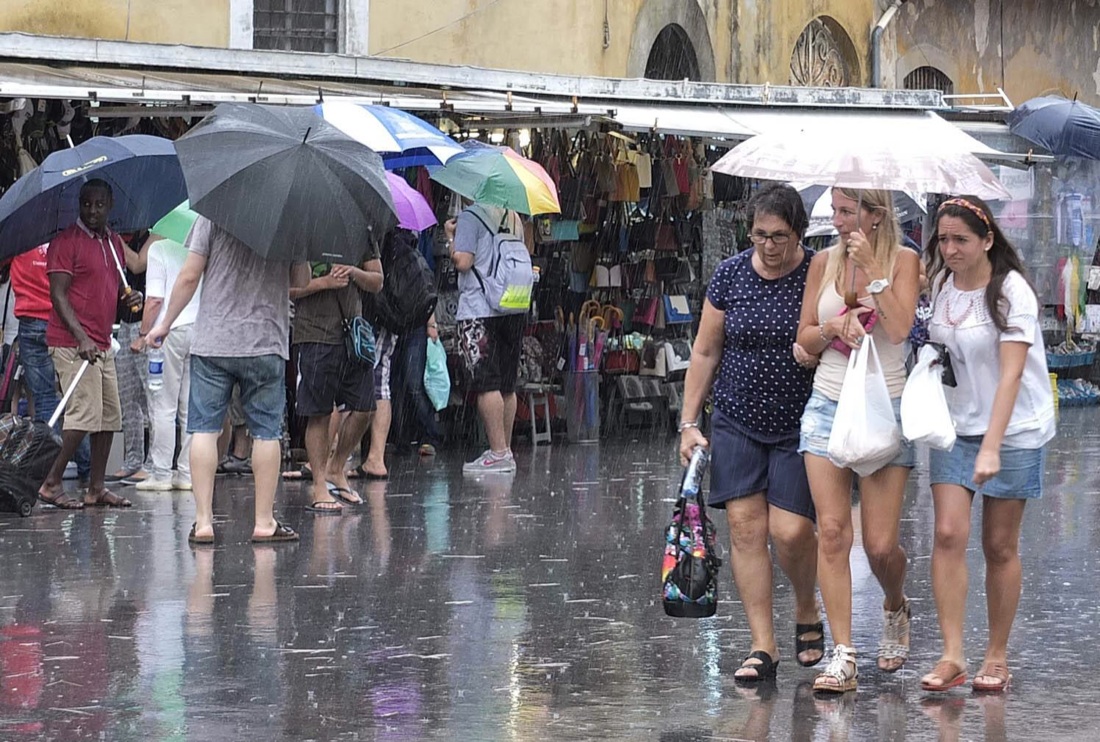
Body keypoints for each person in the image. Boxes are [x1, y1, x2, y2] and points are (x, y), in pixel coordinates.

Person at [679, 184, 822, 682]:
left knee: (791, 531)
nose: (768, 245)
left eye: (779, 236)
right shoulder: (730, 275)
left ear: (799, 233)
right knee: (744, 529)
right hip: (736, 416)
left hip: (799, 420)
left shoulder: (816, 272)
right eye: (759, 235)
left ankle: (806, 604)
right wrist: (688, 422)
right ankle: (763, 645)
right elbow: (705, 351)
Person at [918, 197, 1055, 694]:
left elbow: (1012, 375)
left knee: (998, 545)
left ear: (988, 240)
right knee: (948, 533)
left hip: (1013, 428)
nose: (950, 249)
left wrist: (992, 447)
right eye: (943, 239)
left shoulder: (1011, 291)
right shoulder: (940, 284)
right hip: (955, 425)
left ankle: (996, 655)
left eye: (961, 240)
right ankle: (952, 653)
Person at [794, 188, 920, 694]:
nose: (838, 220)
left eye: (847, 211)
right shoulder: (822, 262)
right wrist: (830, 328)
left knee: (880, 545)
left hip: (885, 406)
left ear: (875, 215)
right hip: (827, 403)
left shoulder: (904, 260)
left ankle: (895, 603)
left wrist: (872, 269)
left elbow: (901, 327)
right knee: (831, 531)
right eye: (835, 210)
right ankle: (843, 653)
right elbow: (804, 338)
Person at [147, 216, 310, 544]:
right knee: (265, 432)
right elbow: (301, 281)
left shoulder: (214, 213)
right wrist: (300, 246)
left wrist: (164, 324)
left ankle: (203, 522)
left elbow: (190, 275)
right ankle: (263, 522)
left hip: (214, 340)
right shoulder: (287, 218)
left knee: (204, 430)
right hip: (264, 341)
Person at [37, 179, 143, 509]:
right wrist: (81, 337)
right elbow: (58, 295)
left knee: (109, 416)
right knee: (83, 415)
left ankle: (96, 488)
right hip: (72, 343)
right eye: (86, 204)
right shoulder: (66, 241)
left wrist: (131, 300)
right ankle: (51, 482)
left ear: (110, 205)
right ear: (79, 205)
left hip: (102, 342)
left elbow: (112, 295)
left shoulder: (112, 242)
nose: (92, 211)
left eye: (99, 204)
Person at [290, 255, 383, 512]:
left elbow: (377, 281)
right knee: (318, 412)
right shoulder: (302, 240)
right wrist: (324, 283)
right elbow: (289, 289)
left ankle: (336, 467)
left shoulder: (359, 235)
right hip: (314, 334)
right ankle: (319, 484)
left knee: (365, 407)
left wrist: (354, 272)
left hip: (352, 334)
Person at [446, 204, 525, 474]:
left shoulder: (470, 217)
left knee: (486, 383)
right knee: (507, 384)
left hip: (479, 310)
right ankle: (505, 450)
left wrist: (451, 238)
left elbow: (463, 262)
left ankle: (497, 452)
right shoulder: (513, 217)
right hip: (511, 307)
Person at [9, 244, 91, 485]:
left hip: (29, 323)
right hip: (62, 322)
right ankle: (86, 467)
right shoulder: (63, 242)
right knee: (72, 401)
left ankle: (50, 471)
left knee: (45, 400)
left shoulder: (18, 239)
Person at [130, 237, 200, 491]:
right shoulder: (200, 247)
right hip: (198, 329)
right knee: (190, 408)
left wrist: (143, 334)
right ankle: (187, 473)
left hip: (166, 332)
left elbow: (154, 300)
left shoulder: (159, 249)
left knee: (163, 405)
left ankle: (161, 473)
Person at [108, 230, 154, 484]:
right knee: (128, 396)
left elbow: (137, 264)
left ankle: (155, 461)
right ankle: (133, 458)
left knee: (152, 397)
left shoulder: (159, 235)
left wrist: (115, 241)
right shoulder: (131, 239)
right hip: (126, 322)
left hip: (149, 323)